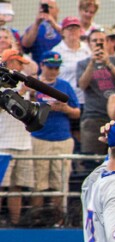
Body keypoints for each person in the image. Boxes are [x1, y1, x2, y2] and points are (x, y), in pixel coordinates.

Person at [30, 51, 79, 215]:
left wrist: (65, 109)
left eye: (56, 68)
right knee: (38, 182)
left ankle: (58, 219)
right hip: (39, 137)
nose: (54, 71)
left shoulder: (65, 86)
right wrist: (41, 107)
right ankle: (36, 217)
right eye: (50, 67)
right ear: (42, 65)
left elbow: (77, 112)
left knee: (60, 181)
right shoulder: (33, 85)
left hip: (62, 138)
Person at [0, 50, 35, 227]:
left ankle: (15, 224)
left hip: (24, 143)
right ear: (9, 63)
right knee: (1, 187)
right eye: (19, 63)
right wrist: (22, 90)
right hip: (3, 145)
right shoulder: (1, 85)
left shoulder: (24, 85)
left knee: (17, 188)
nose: (22, 67)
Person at [77, 29, 115, 157]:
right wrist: (92, 63)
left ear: (107, 43)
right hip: (93, 116)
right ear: (89, 43)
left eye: (102, 40)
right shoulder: (83, 64)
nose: (98, 43)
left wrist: (108, 63)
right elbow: (82, 85)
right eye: (95, 41)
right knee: (92, 160)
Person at [51, 17, 90, 105]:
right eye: (69, 28)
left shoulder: (87, 49)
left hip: (85, 99)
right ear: (62, 32)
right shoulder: (56, 51)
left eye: (76, 28)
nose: (73, 31)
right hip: (66, 99)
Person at [20, 0, 62, 68]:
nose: (46, 10)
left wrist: (53, 23)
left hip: (60, 67)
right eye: (43, 7)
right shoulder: (34, 28)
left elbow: (68, 37)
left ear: (57, 10)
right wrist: (37, 23)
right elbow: (25, 45)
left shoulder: (62, 26)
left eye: (50, 7)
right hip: (40, 68)